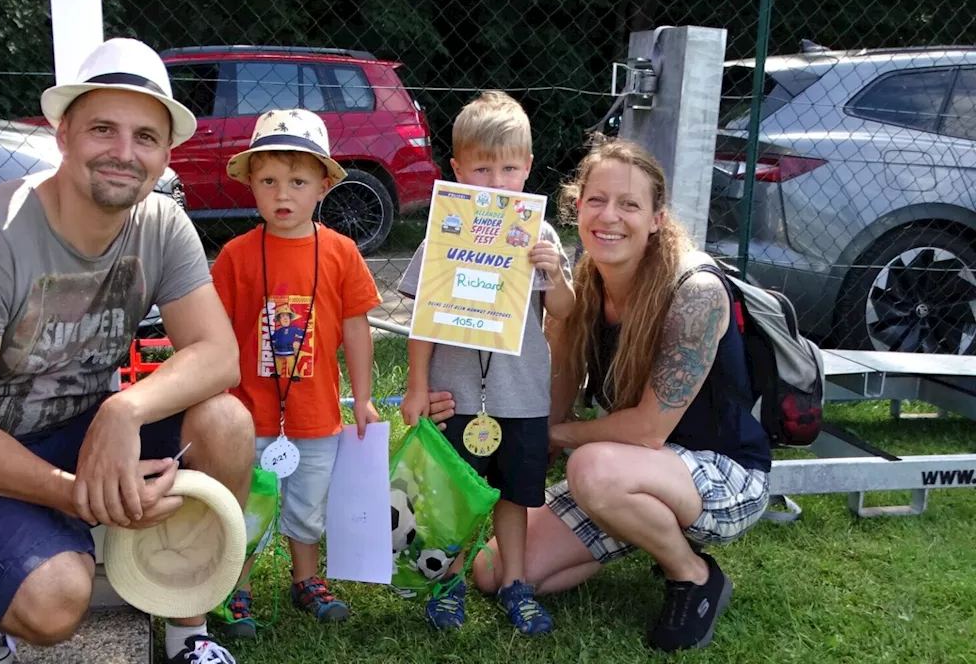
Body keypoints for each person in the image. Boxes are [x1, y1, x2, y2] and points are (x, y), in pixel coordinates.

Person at [0, 38, 255, 664]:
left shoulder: (162, 224)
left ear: (166, 153)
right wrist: (75, 493)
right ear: (63, 134)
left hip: (77, 425)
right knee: (54, 604)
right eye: (102, 129)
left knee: (226, 423)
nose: (123, 152)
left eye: (145, 136)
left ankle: (188, 631)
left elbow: (219, 356)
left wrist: (123, 411)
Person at [429, 136, 773, 652]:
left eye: (629, 204)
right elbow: (559, 380)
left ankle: (694, 575)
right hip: (632, 469)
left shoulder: (694, 290)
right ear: (577, 206)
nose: (609, 217)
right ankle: (639, 529)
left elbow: (648, 429)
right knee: (492, 571)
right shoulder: (583, 279)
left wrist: (552, 435)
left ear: (657, 217)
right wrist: (491, 418)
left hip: (721, 472)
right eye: (596, 200)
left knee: (589, 468)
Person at [398, 91, 575, 636]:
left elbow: (566, 313)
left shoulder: (540, 235)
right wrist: (417, 386)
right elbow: (425, 319)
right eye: (482, 169)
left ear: (526, 167)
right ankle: (448, 584)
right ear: (457, 170)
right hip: (455, 393)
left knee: (516, 497)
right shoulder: (443, 233)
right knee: (456, 494)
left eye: (509, 168)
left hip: (520, 396)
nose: (496, 182)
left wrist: (556, 273)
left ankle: (515, 584)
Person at [210, 108, 382, 638]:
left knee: (308, 505)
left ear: (324, 185)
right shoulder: (237, 257)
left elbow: (356, 329)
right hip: (248, 415)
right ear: (251, 186)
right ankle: (234, 589)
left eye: (298, 181)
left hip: (316, 415)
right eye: (268, 181)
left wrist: (365, 396)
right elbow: (213, 334)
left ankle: (304, 578)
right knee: (248, 503)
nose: (282, 194)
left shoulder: (341, 253)